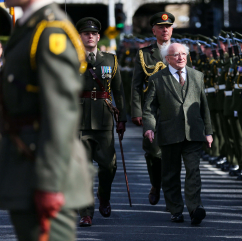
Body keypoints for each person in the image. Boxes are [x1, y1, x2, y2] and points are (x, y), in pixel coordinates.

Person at [0, 0, 93, 240]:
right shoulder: (29, 26)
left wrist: (50, 183)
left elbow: (61, 112)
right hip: (24, 162)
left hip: (42, 169)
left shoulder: (50, 30)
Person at [143, 43, 213, 225]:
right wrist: (149, 127)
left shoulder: (197, 76)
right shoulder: (158, 79)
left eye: (183, 54)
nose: (181, 57)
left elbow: (203, 106)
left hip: (194, 132)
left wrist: (209, 132)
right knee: (171, 174)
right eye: (176, 55)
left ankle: (195, 208)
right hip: (169, 133)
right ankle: (175, 209)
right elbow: (150, 108)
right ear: (167, 59)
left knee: (193, 171)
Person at [131, 12, 191, 206]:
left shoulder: (181, 51)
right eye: (161, 27)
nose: (165, 30)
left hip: (174, 111)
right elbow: (136, 85)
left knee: (172, 155)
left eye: (168, 27)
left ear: (172, 29)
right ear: (154, 30)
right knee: (153, 153)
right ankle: (156, 184)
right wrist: (137, 111)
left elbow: (190, 82)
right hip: (152, 112)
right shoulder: (144, 53)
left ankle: (171, 198)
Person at [76, 17, 127, 227]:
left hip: (104, 120)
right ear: (79, 37)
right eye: (86, 33)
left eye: (94, 33)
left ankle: (103, 195)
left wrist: (122, 117)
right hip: (78, 120)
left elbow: (118, 91)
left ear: (98, 37)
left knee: (109, 166)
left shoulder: (110, 60)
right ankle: (86, 212)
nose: (90, 36)